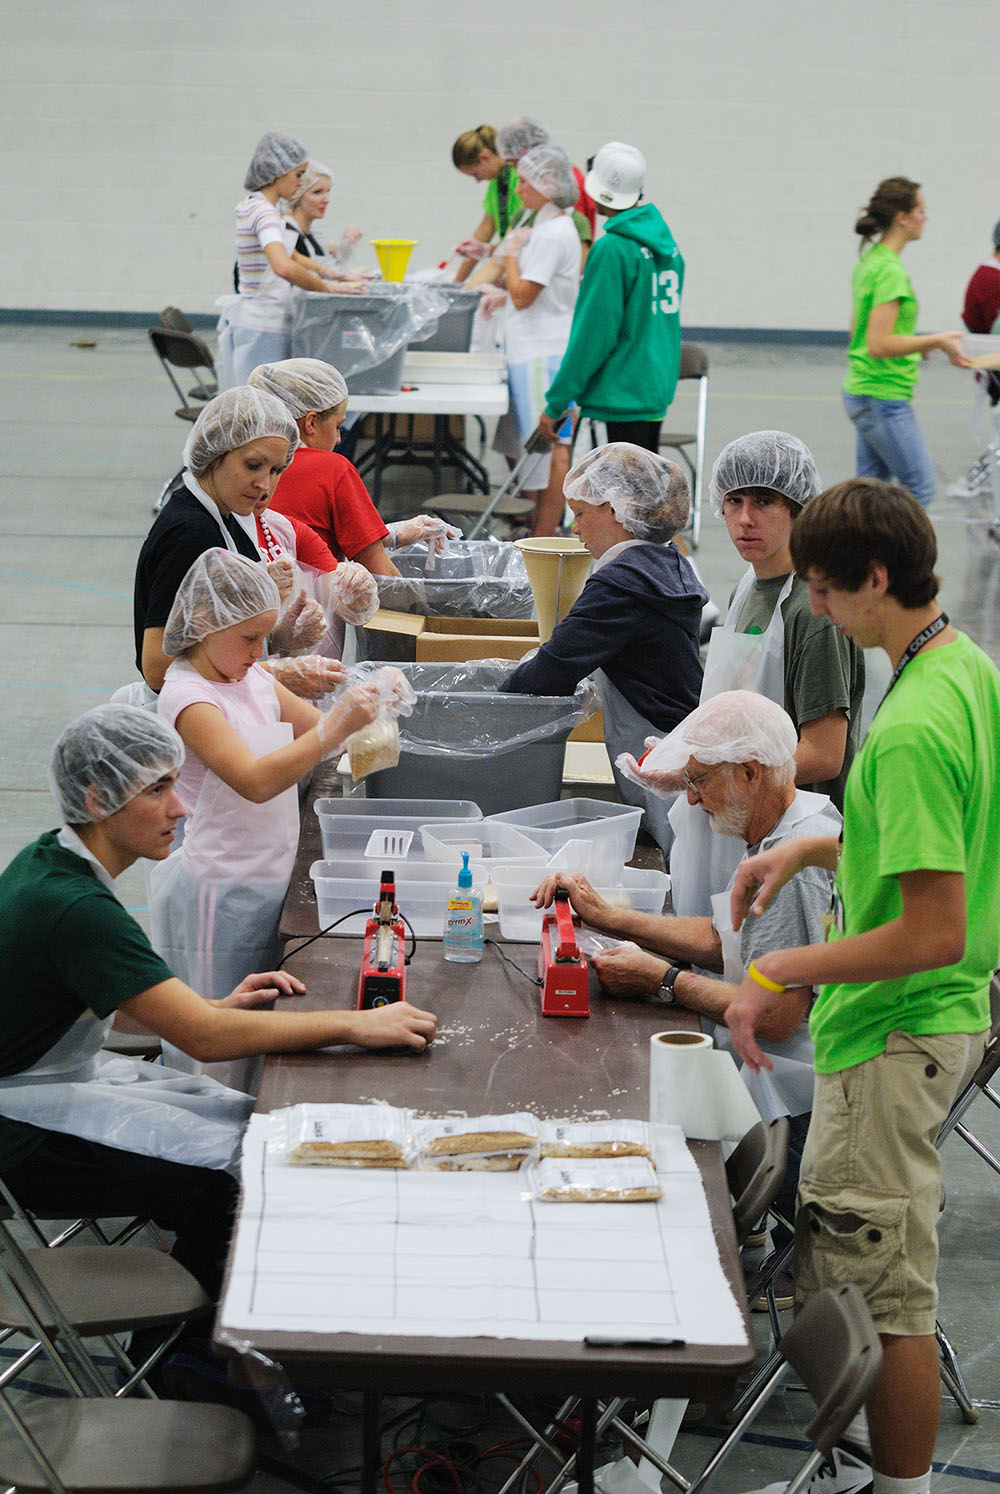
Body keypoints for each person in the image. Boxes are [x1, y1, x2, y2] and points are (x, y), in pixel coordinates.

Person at [724, 479, 1000, 1494]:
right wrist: (809, 857)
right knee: (863, 1280)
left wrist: (777, 966)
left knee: (887, 1298)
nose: (819, 615)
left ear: (874, 578)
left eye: (825, 595)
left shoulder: (918, 724)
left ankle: (895, 1486)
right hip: (923, 1023)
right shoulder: (955, 666)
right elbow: (932, 850)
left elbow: (931, 928)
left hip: (894, 1032)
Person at [0, 705, 437, 1300]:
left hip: (40, 1089)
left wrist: (209, 1005)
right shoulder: (76, 908)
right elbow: (202, 1040)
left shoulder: (49, 861)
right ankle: (195, 1359)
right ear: (99, 800)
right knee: (239, 1179)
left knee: (248, 1130)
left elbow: (103, 994)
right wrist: (359, 1025)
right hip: (20, 1140)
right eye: (158, 790)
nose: (179, 809)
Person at [532, 690, 842, 1270]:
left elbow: (775, 1016)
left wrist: (664, 981)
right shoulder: (786, 829)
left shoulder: (797, 860)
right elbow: (728, 938)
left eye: (701, 780)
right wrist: (610, 916)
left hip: (803, 1102)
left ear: (751, 772)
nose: (693, 798)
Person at [150, 550, 403, 1090]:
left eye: (266, 637)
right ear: (202, 623)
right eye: (249, 639)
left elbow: (327, 729)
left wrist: (378, 709)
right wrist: (337, 730)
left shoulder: (250, 678)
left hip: (268, 878)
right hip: (220, 890)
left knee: (262, 1025)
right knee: (220, 1040)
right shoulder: (188, 696)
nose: (261, 653)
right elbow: (256, 779)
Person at [625, 431, 865, 918]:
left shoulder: (812, 610)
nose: (744, 519)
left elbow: (825, 754)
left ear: (799, 506)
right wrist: (690, 751)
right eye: (733, 502)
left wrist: (708, 771)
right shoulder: (746, 587)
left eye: (764, 501)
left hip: (797, 840)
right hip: (742, 823)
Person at [502, 444, 705, 851]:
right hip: (678, 748)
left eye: (580, 514)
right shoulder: (670, 563)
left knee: (681, 860)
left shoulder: (620, 584)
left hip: (655, 756)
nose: (574, 529)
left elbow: (552, 671)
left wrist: (496, 700)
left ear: (616, 509)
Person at [134, 386, 346, 699]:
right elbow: (157, 666)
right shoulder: (191, 534)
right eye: (252, 465)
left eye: (275, 470)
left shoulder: (229, 516)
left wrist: (276, 639)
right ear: (216, 454)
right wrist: (274, 674)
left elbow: (208, 637)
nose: (264, 484)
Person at [248, 358, 458, 582]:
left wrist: (389, 535)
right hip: (315, 605)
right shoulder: (332, 469)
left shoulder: (243, 468)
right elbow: (383, 576)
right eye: (338, 427)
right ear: (311, 423)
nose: (339, 439)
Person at [538, 142, 684, 454]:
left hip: (614, 399)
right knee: (639, 497)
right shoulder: (668, 248)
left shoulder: (611, 249)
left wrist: (556, 402)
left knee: (603, 500)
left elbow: (592, 337)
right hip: (651, 395)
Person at [843, 176, 970, 507]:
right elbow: (878, 344)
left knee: (867, 498)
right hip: (883, 397)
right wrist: (938, 340)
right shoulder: (890, 272)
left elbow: (858, 330)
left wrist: (917, 345)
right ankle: (899, 561)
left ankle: (860, 559)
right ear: (903, 216)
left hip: (866, 392)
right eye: (921, 210)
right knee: (920, 490)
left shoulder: (871, 261)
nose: (925, 218)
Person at [216, 132, 361, 391]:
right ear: (277, 172)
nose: (300, 183)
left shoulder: (256, 206)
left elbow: (291, 255)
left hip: (260, 323)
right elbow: (282, 265)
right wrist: (327, 287)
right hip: (264, 326)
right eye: (298, 175)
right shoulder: (264, 213)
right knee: (264, 411)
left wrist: (332, 275)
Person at [494, 146, 581, 535]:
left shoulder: (552, 233)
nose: (519, 188)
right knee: (532, 446)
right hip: (532, 349)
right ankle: (538, 527)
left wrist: (510, 257)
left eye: (526, 181)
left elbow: (523, 295)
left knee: (553, 445)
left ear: (547, 185)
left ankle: (546, 538)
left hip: (542, 353)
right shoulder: (544, 226)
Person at [496, 115, 596, 237]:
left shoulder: (563, 183)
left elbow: (574, 238)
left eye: (514, 162)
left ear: (523, 152)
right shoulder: (529, 208)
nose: (518, 189)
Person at [450, 124, 525, 284]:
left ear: (485, 157)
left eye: (475, 173)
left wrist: (486, 251)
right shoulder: (497, 180)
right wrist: (457, 282)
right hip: (511, 260)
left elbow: (519, 240)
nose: (477, 180)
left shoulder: (521, 179)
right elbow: (486, 228)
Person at [281, 159, 365, 278]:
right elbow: (309, 279)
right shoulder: (287, 232)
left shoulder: (315, 235)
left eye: (327, 192)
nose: (327, 200)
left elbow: (331, 269)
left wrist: (347, 246)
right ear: (297, 195)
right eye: (317, 192)